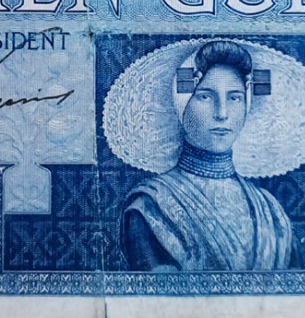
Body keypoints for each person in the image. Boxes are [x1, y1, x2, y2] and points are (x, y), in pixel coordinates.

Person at [120, 40, 293, 272]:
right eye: (205, 97)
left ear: (246, 106)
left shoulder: (271, 211)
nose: (222, 113)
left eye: (234, 98)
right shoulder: (151, 205)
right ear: (182, 105)